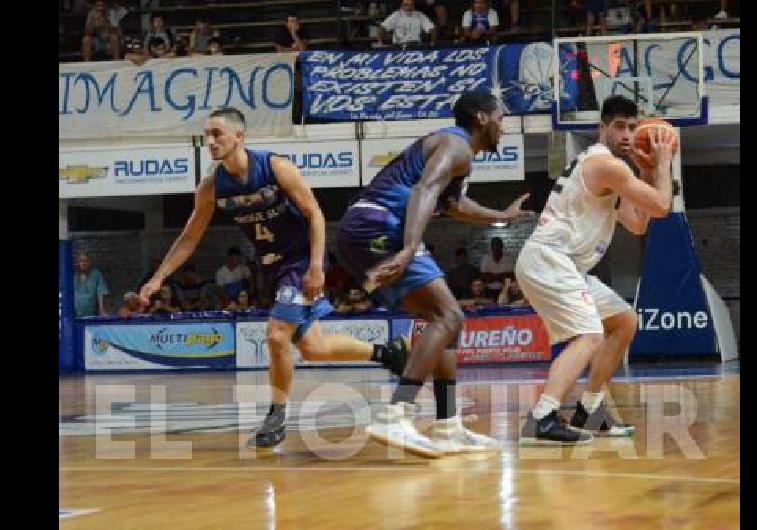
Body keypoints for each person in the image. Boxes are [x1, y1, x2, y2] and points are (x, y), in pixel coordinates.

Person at [138, 107, 409, 449]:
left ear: (239, 136)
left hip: (299, 261)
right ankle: (388, 353)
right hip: (272, 267)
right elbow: (189, 238)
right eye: (206, 135)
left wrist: (316, 266)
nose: (210, 141)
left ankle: (276, 415)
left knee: (277, 335)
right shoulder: (211, 188)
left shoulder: (276, 167)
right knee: (313, 348)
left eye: (217, 134)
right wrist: (157, 279)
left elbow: (315, 215)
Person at [336, 91, 530, 457]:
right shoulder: (456, 147)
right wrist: (410, 247)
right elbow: (423, 191)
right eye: (501, 118)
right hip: (379, 226)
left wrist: (502, 216)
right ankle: (396, 413)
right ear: (482, 118)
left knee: (447, 320)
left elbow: (454, 206)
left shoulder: (457, 154)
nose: (504, 126)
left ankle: (447, 424)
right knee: (449, 315)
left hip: (363, 228)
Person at [515, 95, 675, 445]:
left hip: (566, 264)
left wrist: (646, 170)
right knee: (589, 336)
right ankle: (541, 417)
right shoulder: (606, 166)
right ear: (601, 128)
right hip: (549, 258)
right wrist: (664, 164)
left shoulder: (614, 173)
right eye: (619, 127)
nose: (628, 135)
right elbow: (662, 206)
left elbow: (638, 224)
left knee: (623, 321)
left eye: (633, 128)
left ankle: (590, 410)